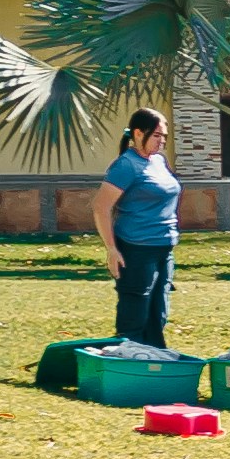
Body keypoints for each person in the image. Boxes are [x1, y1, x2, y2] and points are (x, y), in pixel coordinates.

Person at [97, 106, 179, 348]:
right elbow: (100, 207)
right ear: (138, 133)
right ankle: (127, 358)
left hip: (164, 248)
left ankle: (154, 358)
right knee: (135, 315)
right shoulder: (126, 165)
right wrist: (112, 249)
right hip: (136, 249)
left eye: (164, 136)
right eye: (157, 135)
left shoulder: (159, 161)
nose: (162, 141)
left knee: (158, 314)